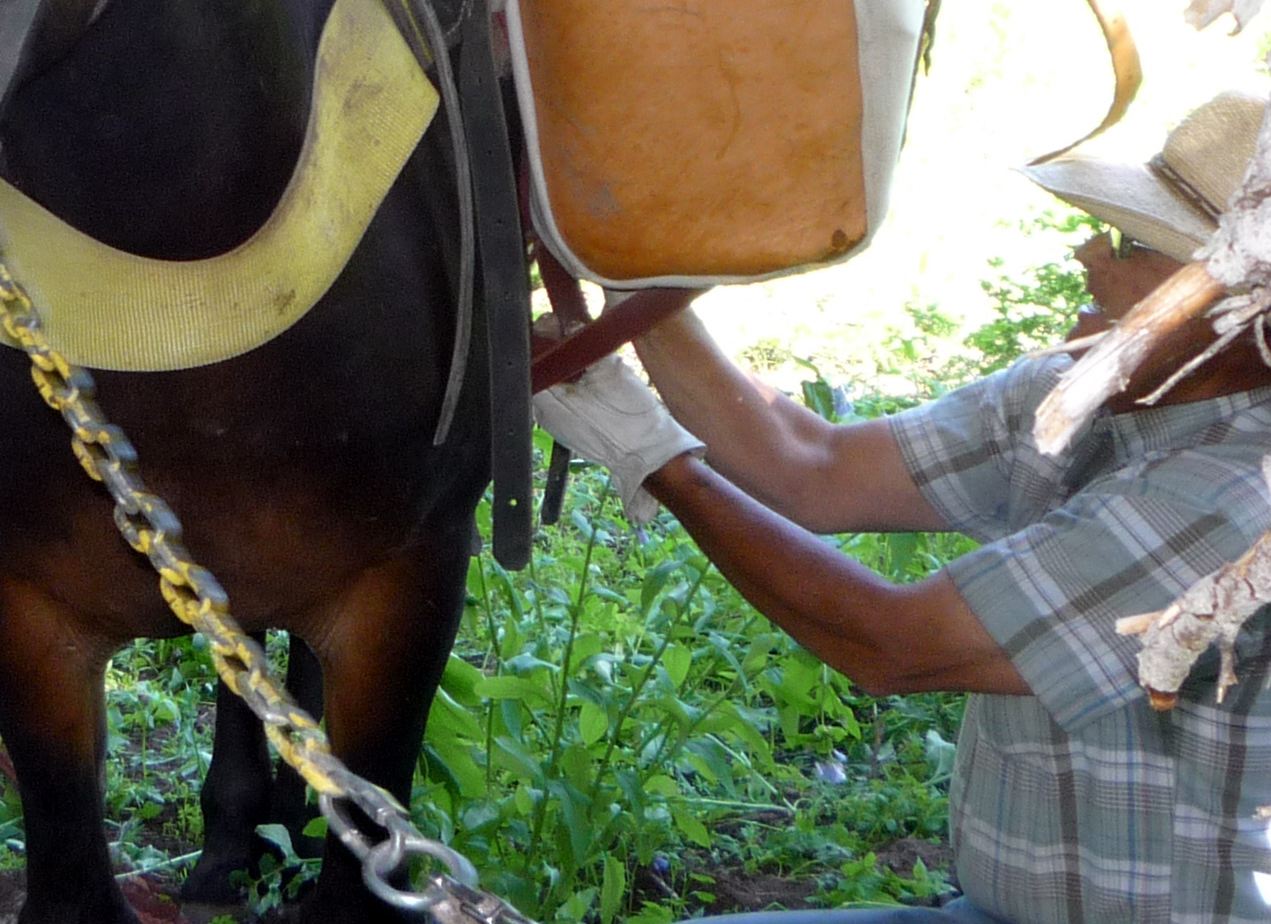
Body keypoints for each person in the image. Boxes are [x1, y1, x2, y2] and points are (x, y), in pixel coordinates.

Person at [536, 91, 1271, 924]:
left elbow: (889, 645)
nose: (1085, 251)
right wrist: (631, 278)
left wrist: (654, 456)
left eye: (1134, 244)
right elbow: (808, 465)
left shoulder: (1238, 495)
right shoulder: (1081, 392)